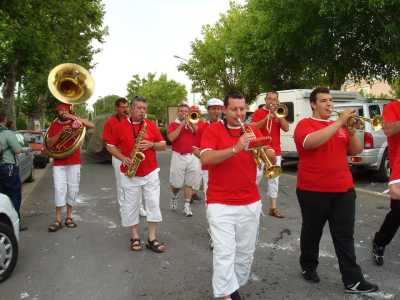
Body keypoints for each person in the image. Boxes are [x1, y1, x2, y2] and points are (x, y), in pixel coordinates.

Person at [294, 87, 378, 294]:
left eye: (330, 100)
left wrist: (351, 131)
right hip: (313, 189)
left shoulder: (339, 127)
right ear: (313, 104)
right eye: (323, 101)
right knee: (312, 232)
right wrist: (339, 123)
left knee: (344, 236)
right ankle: (308, 265)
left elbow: (356, 150)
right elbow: (310, 143)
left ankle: (353, 280)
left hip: (343, 189)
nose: (329, 104)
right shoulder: (305, 124)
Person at [200, 91, 276, 300]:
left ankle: (232, 287)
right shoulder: (213, 130)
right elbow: (206, 157)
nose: (239, 113)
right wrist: (235, 148)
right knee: (224, 253)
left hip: (250, 201)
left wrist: (267, 153)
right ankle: (226, 295)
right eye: (234, 109)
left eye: (242, 109)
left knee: (244, 254)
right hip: (220, 203)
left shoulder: (251, 129)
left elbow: (266, 151)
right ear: (225, 110)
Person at [106, 96, 167, 253]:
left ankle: (152, 238)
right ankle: (135, 236)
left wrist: (152, 145)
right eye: (139, 108)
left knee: (153, 204)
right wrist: (123, 158)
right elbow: (110, 146)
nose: (142, 111)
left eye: (144, 109)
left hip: (150, 171)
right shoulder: (119, 126)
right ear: (131, 109)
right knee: (131, 205)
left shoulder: (151, 125)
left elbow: (163, 145)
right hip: (130, 173)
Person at [47, 103, 95, 232]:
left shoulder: (76, 121)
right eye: (60, 110)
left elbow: (92, 125)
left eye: (64, 110)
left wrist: (73, 117)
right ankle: (58, 219)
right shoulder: (55, 124)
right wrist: (61, 133)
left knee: (73, 189)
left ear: (69, 110)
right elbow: (50, 143)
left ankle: (69, 217)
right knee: (59, 189)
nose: (62, 112)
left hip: (74, 161)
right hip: (59, 162)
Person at [102, 98, 146, 217]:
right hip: (119, 157)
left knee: (138, 181)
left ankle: (139, 207)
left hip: (134, 155)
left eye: (126, 106)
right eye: (122, 107)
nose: (125, 109)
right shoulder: (110, 122)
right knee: (121, 183)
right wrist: (120, 154)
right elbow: (107, 142)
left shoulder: (134, 120)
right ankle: (123, 208)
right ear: (116, 108)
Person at [251, 91, 289, 218]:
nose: (272, 101)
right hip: (260, 150)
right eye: (270, 99)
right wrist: (266, 118)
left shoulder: (279, 112)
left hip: (276, 151)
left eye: (274, 99)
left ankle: (273, 208)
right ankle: (253, 204)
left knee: (274, 180)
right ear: (265, 100)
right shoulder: (258, 112)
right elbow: (253, 127)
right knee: (256, 178)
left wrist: (279, 117)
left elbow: (286, 128)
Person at [193, 98, 224, 249]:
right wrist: (210, 158)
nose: (216, 111)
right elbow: (195, 149)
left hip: (226, 170)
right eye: (213, 108)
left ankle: (221, 230)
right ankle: (213, 234)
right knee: (211, 203)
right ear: (208, 110)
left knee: (225, 202)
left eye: (219, 108)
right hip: (208, 170)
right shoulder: (202, 127)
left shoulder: (227, 126)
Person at [372, 99, 400, 266]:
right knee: (398, 212)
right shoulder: (393, 106)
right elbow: (388, 129)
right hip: (398, 164)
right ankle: (379, 242)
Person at [167, 103, 201, 217]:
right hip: (178, 156)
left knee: (190, 183)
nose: (184, 113)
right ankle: (174, 196)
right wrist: (181, 125)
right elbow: (171, 138)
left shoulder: (193, 123)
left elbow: (200, 134)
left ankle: (187, 206)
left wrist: (191, 123)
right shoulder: (173, 124)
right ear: (178, 112)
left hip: (193, 156)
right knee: (176, 185)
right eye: (181, 111)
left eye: (186, 111)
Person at [0, 114, 25, 228]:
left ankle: (3, 224)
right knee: (14, 195)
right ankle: (15, 224)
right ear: (4, 120)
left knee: (2, 197)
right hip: (8, 168)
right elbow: (18, 150)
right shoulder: (7, 133)